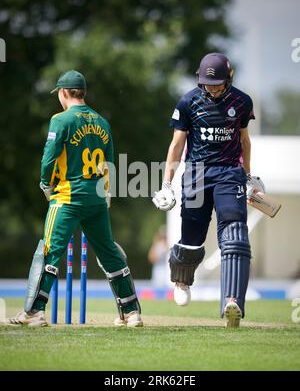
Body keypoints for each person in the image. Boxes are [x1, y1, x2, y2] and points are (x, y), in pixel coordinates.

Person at [7, 70, 143, 327]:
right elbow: (110, 163)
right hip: (97, 199)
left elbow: (49, 156)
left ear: (64, 93)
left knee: (49, 252)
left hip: (67, 197)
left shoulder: (60, 120)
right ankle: (131, 313)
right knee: (108, 252)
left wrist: (45, 184)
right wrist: (107, 192)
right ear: (83, 92)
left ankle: (35, 312)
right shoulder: (102, 122)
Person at [153, 53, 264, 327]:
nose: (212, 88)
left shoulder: (242, 101)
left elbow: (244, 141)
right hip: (196, 173)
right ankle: (181, 280)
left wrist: (249, 176)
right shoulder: (188, 101)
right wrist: (166, 183)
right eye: (207, 83)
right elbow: (177, 145)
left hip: (229, 172)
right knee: (192, 239)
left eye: (217, 84)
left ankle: (232, 302)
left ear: (229, 78)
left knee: (235, 234)